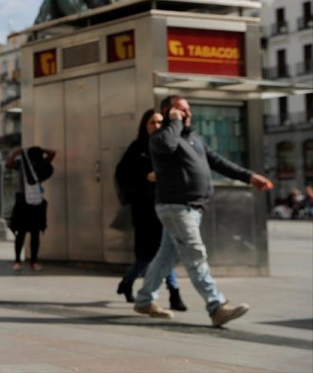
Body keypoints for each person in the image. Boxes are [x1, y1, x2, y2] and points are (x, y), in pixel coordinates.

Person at [133, 95, 273, 326]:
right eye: (180, 110)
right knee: (195, 254)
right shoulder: (161, 137)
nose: (187, 113)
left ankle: (144, 299)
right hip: (175, 207)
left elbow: (218, 162)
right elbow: (167, 144)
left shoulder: (194, 139)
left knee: (166, 256)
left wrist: (249, 177)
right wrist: (174, 122)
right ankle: (216, 306)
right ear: (169, 112)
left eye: (188, 110)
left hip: (192, 207)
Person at [114, 109, 186, 311]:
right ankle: (130, 282)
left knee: (165, 250)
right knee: (147, 254)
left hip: (167, 205)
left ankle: (173, 293)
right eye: (152, 123)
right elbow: (123, 175)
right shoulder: (137, 148)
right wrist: (146, 177)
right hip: (145, 209)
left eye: (160, 123)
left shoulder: (168, 146)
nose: (156, 126)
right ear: (145, 126)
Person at [6, 146, 56, 271]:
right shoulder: (37, 163)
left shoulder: (23, 163)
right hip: (34, 202)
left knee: (22, 233)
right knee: (34, 233)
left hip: (23, 201)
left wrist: (16, 153)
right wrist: (42, 150)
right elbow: (52, 153)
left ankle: (18, 260)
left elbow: (8, 164)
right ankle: (33, 261)